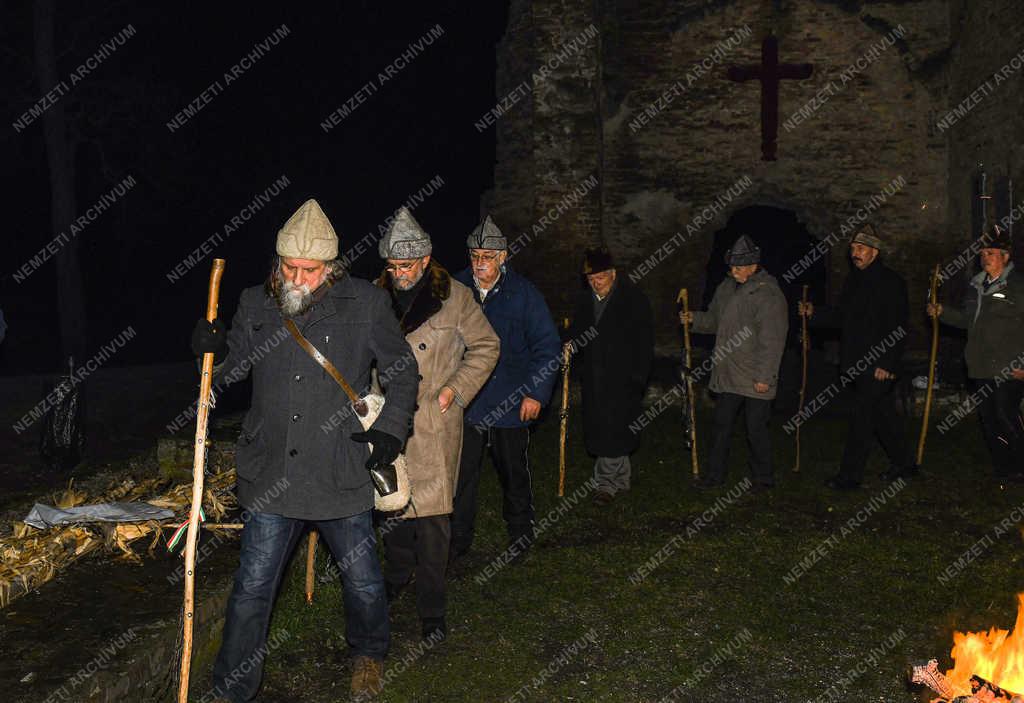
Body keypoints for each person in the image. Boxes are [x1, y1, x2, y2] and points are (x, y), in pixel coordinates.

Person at [192, 198, 419, 701]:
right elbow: (230, 372)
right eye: (289, 267)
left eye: (309, 270)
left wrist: (391, 432)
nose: (297, 278)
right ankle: (233, 686)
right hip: (271, 471)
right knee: (252, 587)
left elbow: (403, 370)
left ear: (332, 267)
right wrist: (211, 347)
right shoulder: (256, 302)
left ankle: (369, 653)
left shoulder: (366, 304)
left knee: (361, 580)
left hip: (340, 469)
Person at [375, 207, 499, 642]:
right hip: (387, 418)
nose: (398, 274)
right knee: (392, 509)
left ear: (426, 261)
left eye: (406, 266)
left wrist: (456, 391)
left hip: (432, 419)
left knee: (431, 521)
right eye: (391, 266)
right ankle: (396, 576)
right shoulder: (376, 296)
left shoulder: (457, 297)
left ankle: (432, 607)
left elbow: (486, 346)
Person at [451, 215, 560, 560]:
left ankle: (520, 535)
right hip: (467, 401)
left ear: (503, 257)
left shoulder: (524, 294)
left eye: (487, 256)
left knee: (514, 472)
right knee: (461, 476)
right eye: (474, 256)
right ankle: (457, 540)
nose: (479, 264)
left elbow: (546, 346)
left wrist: (536, 393)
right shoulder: (455, 289)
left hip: (511, 400)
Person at [798, 223, 912, 490]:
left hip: (878, 365)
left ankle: (850, 477)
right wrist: (814, 313)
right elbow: (841, 317)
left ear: (875, 252)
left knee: (861, 420)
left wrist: (887, 363)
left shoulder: (891, 282)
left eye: (860, 248)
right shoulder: (854, 281)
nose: (854, 253)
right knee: (882, 416)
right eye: (852, 248)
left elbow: (898, 326)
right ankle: (905, 463)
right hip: (856, 362)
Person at [680, 235, 787, 490]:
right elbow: (715, 320)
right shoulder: (726, 287)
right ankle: (714, 476)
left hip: (755, 374)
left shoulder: (768, 293)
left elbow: (772, 338)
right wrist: (693, 318)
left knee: (755, 428)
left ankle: (763, 477)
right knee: (721, 425)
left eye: (739, 267)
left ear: (753, 266)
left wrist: (765, 376)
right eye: (732, 267)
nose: (733, 271)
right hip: (729, 372)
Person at [928, 226, 1024, 480]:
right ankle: (1005, 469)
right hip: (981, 365)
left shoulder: (1018, 287)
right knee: (990, 419)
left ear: (1005, 257)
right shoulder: (976, 286)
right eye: (982, 254)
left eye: (991, 253)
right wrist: (943, 313)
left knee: (1007, 415)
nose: (985, 258)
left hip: (1009, 366)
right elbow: (968, 321)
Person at [567, 247, 654, 505]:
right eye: (591, 279)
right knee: (608, 428)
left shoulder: (634, 300)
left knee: (613, 430)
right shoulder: (585, 301)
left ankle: (604, 485)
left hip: (623, 378)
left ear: (613, 274)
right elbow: (578, 332)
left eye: (600, 278)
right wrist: (569, 344)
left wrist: (639, 378)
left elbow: (644, 342)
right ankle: (622, 479)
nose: (596, 283)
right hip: (595, 377)